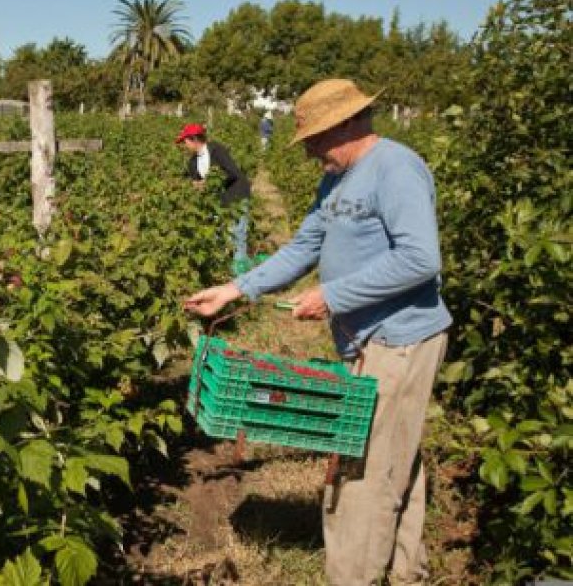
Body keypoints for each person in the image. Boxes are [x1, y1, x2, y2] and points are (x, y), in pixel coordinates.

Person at [184, 79, 452, 586]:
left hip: (400, 339)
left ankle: (353, 577)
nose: (308, 152)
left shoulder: (395, 168)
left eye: (314, 138)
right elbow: (304, 247)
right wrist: (236, 289)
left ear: (348, 124)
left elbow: (420, 258)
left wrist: (334, 295)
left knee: (362, 472)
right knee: (395, 458)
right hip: (365, 339)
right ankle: (405, 571)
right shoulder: (336, 178)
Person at [175, 123, 252, 265]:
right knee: (218, 234)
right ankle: (223, 268)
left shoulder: (217, 150)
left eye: (185, 142)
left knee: (237, 234)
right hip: (217, 200)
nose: (184, 146)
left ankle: (240, 272)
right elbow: (195, 181)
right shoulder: (192, 162)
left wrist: (207, 182)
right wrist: (193, 186)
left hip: (236, 194)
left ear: (194, 139)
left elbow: (233, 173)